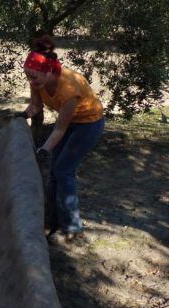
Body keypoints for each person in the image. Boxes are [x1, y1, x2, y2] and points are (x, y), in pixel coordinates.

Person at [22, 35, 105, 240]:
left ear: (49, 71)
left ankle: (72, 226)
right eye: (28, 76)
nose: (31, 81)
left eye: (34, 77)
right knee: (53, 172)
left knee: (64, 170)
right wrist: (22, 116)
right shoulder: (37, 80)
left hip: (89, 124)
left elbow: (59, 130)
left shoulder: (69, 89)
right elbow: (35, 106)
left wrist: (44, 149)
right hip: (69, 123)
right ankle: (51, 220)